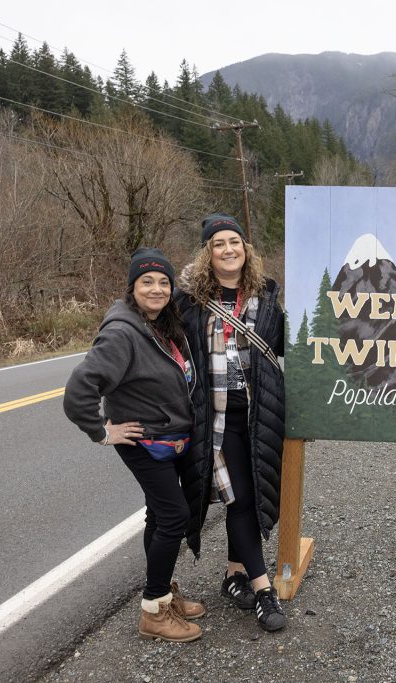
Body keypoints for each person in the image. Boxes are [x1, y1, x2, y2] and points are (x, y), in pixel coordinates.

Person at [64, 248, 204, 643]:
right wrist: (103, 432)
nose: (157, 289)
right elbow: (78, 391)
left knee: (160, 516)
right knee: (174, 516)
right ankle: (154, 610)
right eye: (147, 282)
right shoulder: (123, 332)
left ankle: (163, 595)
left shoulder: (161, 323)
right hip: (145, 441)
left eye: (163, 282)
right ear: (132, 287)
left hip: (168, 438)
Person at [175, 214, 287, 632]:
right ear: (208, 252)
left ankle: (232, 575)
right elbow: (162, 346)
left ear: (245, 248)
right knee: (239, 499)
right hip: (215, 418)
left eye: (234, 241)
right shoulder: (188, 301)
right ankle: (263, 590)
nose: (228, 249)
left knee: (253, 492)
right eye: (218, 243)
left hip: (258, 415)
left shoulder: (264, 297)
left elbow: (288, 343)